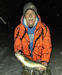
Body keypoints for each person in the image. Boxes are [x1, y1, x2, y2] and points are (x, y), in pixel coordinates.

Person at [14, 2, 52, 75]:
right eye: (27, 13)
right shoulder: (18, 29)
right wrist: (19, 52)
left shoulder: (44, 29)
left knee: (46, 73)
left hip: (40, 60)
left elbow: (47, 47)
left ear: (36, 15)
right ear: (24, 16)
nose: (30, 15)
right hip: (27, 59)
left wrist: (44, 61)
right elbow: (17, 45)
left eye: (32, 13)